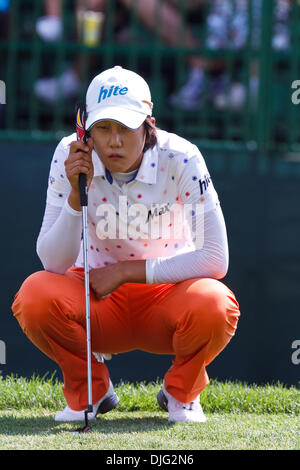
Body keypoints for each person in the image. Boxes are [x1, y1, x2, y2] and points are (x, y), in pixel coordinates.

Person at [12, 65, 240, 423]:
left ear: (148, 124)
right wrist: (76, 194)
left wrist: (126, 271)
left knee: (216, 303)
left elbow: (216, 258)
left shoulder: (182, 156)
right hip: (95, 300)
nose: (114, 141)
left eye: (125, 128)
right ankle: (91, 392)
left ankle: (181, 393)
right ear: (86, 130)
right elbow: (52, 263)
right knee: (34, 296)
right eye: (103, 128)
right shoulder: (68, 156)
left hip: (167, 296)